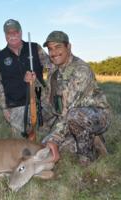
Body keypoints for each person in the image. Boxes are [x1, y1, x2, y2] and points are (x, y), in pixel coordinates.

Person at [38, 31, 112, 166]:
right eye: (50, 49)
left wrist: (54, 138)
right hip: (70, 119)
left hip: (95, 116)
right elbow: (50, 102)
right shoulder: (54, 72)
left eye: (58, 47)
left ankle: (88, 157)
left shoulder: (81, 69)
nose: (53, 52)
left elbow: (68, 109)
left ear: (68, 47)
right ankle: (94, 141)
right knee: (46, 150)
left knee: (74, 115)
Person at [0, 19, 50, 137]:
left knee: (44, 140)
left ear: (21, 32)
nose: (13, 35)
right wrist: (4, 108)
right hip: (15, 106)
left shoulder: (35, 48)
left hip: (40, 101)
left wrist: (43, 86)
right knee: (20, 145)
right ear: (5, 35)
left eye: (16, 32)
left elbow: (52, 67)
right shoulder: (0, 57)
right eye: (9, 33)